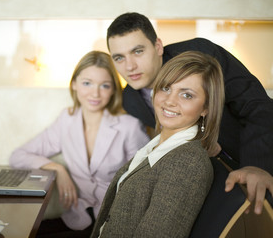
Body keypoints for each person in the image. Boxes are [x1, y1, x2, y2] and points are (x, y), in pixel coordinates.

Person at [106, 12, 273, 215]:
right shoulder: (131, 100)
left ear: (158, 47)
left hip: (260, 158)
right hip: (212, 178)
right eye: (119, 57)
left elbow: (257, 105)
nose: (129, 66)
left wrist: (257, 165)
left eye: (138, 51)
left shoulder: (202, 55)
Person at [9, 50, 150, 237]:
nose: (95, 93)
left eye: (105, 85)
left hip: (114, 221)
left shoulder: (129, 126)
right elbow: (18, 156)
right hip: (78, 216)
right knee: (21, 232)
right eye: (87, 83)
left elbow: (146, 179)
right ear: (74, 84)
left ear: (114, 89)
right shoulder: (67, 120)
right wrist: (56, 168)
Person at [91, 51, 224, 237]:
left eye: (186, 95)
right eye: (166, 88)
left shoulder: (187, 163)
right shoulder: (157, 145)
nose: (170, 101)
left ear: (205, 108)